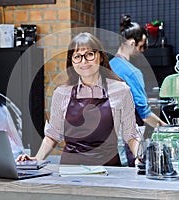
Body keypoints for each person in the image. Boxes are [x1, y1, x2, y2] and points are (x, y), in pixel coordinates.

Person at [16, 32, 140, 166]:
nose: (84, 61)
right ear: (71, 62)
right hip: (70, 171)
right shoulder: (61, 93)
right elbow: (52, 136)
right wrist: (36, 160)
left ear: (100, 57)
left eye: (89, 54)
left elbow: (131, 134)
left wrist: (140, 158)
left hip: (109, 171)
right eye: (77, 56)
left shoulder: (121, 90)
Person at [109, 15, 167, 166]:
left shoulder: (107, 66)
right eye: (141, 47)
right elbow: (144, 113)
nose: (141, 52)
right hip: (124, 141)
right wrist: (166, 128)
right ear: (133, 43)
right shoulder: (132, 72)